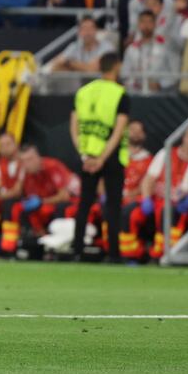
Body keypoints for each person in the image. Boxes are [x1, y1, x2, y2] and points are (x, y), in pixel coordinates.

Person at [70, 52, 129, 261]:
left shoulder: (83, 92)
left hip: (87, 154)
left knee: (84, 203)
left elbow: (74, 126)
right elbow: (118, 131)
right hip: (110, 156)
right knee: (113, 204)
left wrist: (85, 156)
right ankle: (113, 253)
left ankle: (77, 249)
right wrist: (103, 159)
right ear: (116, 67)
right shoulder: (119, 93)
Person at [121, 125, 188, 260]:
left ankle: (162, 256)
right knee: (129, 212)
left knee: (168, 212)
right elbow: (148, 180)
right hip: (155, 200)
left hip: (180, 206)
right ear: (183, 137)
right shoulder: (166, 153)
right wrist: (147, 198)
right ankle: (132, 256)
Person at [3, 144, 79, 248]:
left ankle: (59, 245)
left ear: (38, 157)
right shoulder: (25, 172)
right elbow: (19, 192)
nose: (28, 164)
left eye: (30, 159)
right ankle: (18, 246)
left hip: (70, 203)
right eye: (24, 161)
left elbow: (64, 196)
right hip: (46, 205)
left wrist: (41, 201)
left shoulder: (52, 166)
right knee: (18, 208)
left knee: (59, 209)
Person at [121, 11, 177, 92]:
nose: (146, 25)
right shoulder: (131, 49)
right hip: (136, 94)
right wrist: (134, 83)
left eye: (149, 22)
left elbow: (173, 74)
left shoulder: (164, 47)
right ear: (138, 25)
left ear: (155, 24)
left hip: (159, 94)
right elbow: (124, 74)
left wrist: (160, 84)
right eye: (143, 21)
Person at [51, 17, 115, 72]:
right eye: (84, 29)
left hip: (100, 84)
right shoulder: (74, 46)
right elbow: (56, 65)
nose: (87, 32)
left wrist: (69, 63)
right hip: (78, 85)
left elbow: (92, 69)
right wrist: (82, 67)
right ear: (79, 32)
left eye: (90, 28)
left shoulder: (107, 47)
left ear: (96, 30)